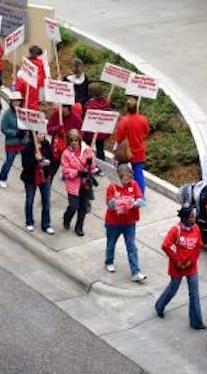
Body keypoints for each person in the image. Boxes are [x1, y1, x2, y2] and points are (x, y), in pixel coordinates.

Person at [155, 205, 205, 330]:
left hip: (191, 267)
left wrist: (192, 262)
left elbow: (198, 247)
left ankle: (196, 322)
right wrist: (177, 261)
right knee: (173, 288)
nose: (194, 219)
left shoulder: (196, 229)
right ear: (184, 218)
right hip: (177, 267)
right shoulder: (175, 230)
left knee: (194, 293)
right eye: (192, 217)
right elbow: (165, 246)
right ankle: (159, 307)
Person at [103, 141, 146, 283]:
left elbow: (141, 200)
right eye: (124, 178)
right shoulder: (112, 187)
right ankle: (109, 261)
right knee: (111, 243)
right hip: (114, 223)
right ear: (119, 177)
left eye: (129, 177)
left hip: (129, 222)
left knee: (131, 246)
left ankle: (136, 272)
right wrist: (116, 202)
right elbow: (110, 205)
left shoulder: (133, 185)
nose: (127, 181)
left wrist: (133, 203)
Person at [113, 96, 151, 202]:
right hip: (139, 150)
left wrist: (115, 150)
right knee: (138, 173)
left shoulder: (124, 121)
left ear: (127, 108)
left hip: (125, 152)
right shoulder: (143, 120)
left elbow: (119, 137)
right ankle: (140, 196)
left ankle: (122, 193)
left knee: (121, 172)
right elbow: (146, 132)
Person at [60, 129, 96, 236]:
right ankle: (67, 217)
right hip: (73, 184)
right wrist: (77, 172)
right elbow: (65, 171)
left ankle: (79, 227)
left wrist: (90, 161)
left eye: (76, 140)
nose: (74, 143)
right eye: (71, 140)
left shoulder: (87, 150)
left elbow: (93, 167)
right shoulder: (66, 154)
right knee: (73, 206)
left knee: (83, 207)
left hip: (85, 183)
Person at [20, 126, 54, 234]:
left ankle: (46, 224)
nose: (42, 136)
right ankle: (29, 222)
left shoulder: (46, 144)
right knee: (30, 200)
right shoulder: (27, 148)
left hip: (45, 177)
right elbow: (25, 165)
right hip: (31, 178)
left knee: (46, 201)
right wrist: (35, 159)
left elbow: (51, 158)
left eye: (43, 133)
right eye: (39, 134)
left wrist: (47, 162)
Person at [0, 90, 24, 188]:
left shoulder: (23, 112)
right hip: (12, 142)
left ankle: (25, 180)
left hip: (22, 142)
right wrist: (15, 133)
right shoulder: (7, 114)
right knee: (9, 162)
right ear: (11, 102)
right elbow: (3, 128)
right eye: (14, 101)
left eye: (18, 101)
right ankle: (2, 178)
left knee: (26, 162)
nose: (16, 103)